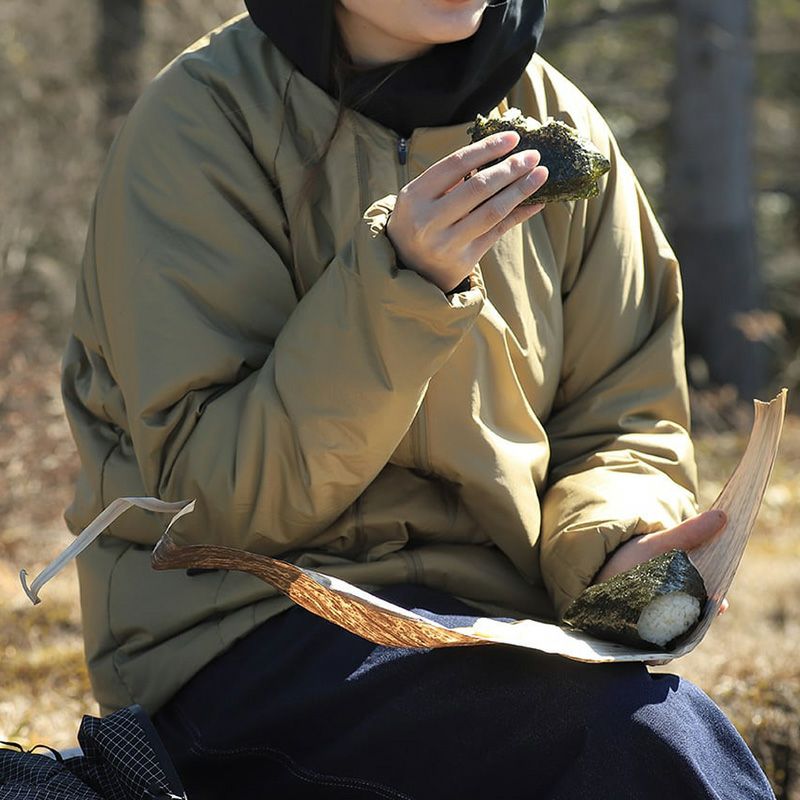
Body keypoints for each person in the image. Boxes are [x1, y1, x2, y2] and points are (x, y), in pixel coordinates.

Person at [61, 1, 775, 797]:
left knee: (664, 732)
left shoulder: (559, 122)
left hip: (503, 633)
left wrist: (613, 548)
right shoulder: (204, 119)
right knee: (629, 747)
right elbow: (212, 504)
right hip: (243, 630)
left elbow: (624, 420)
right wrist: (402, 285)